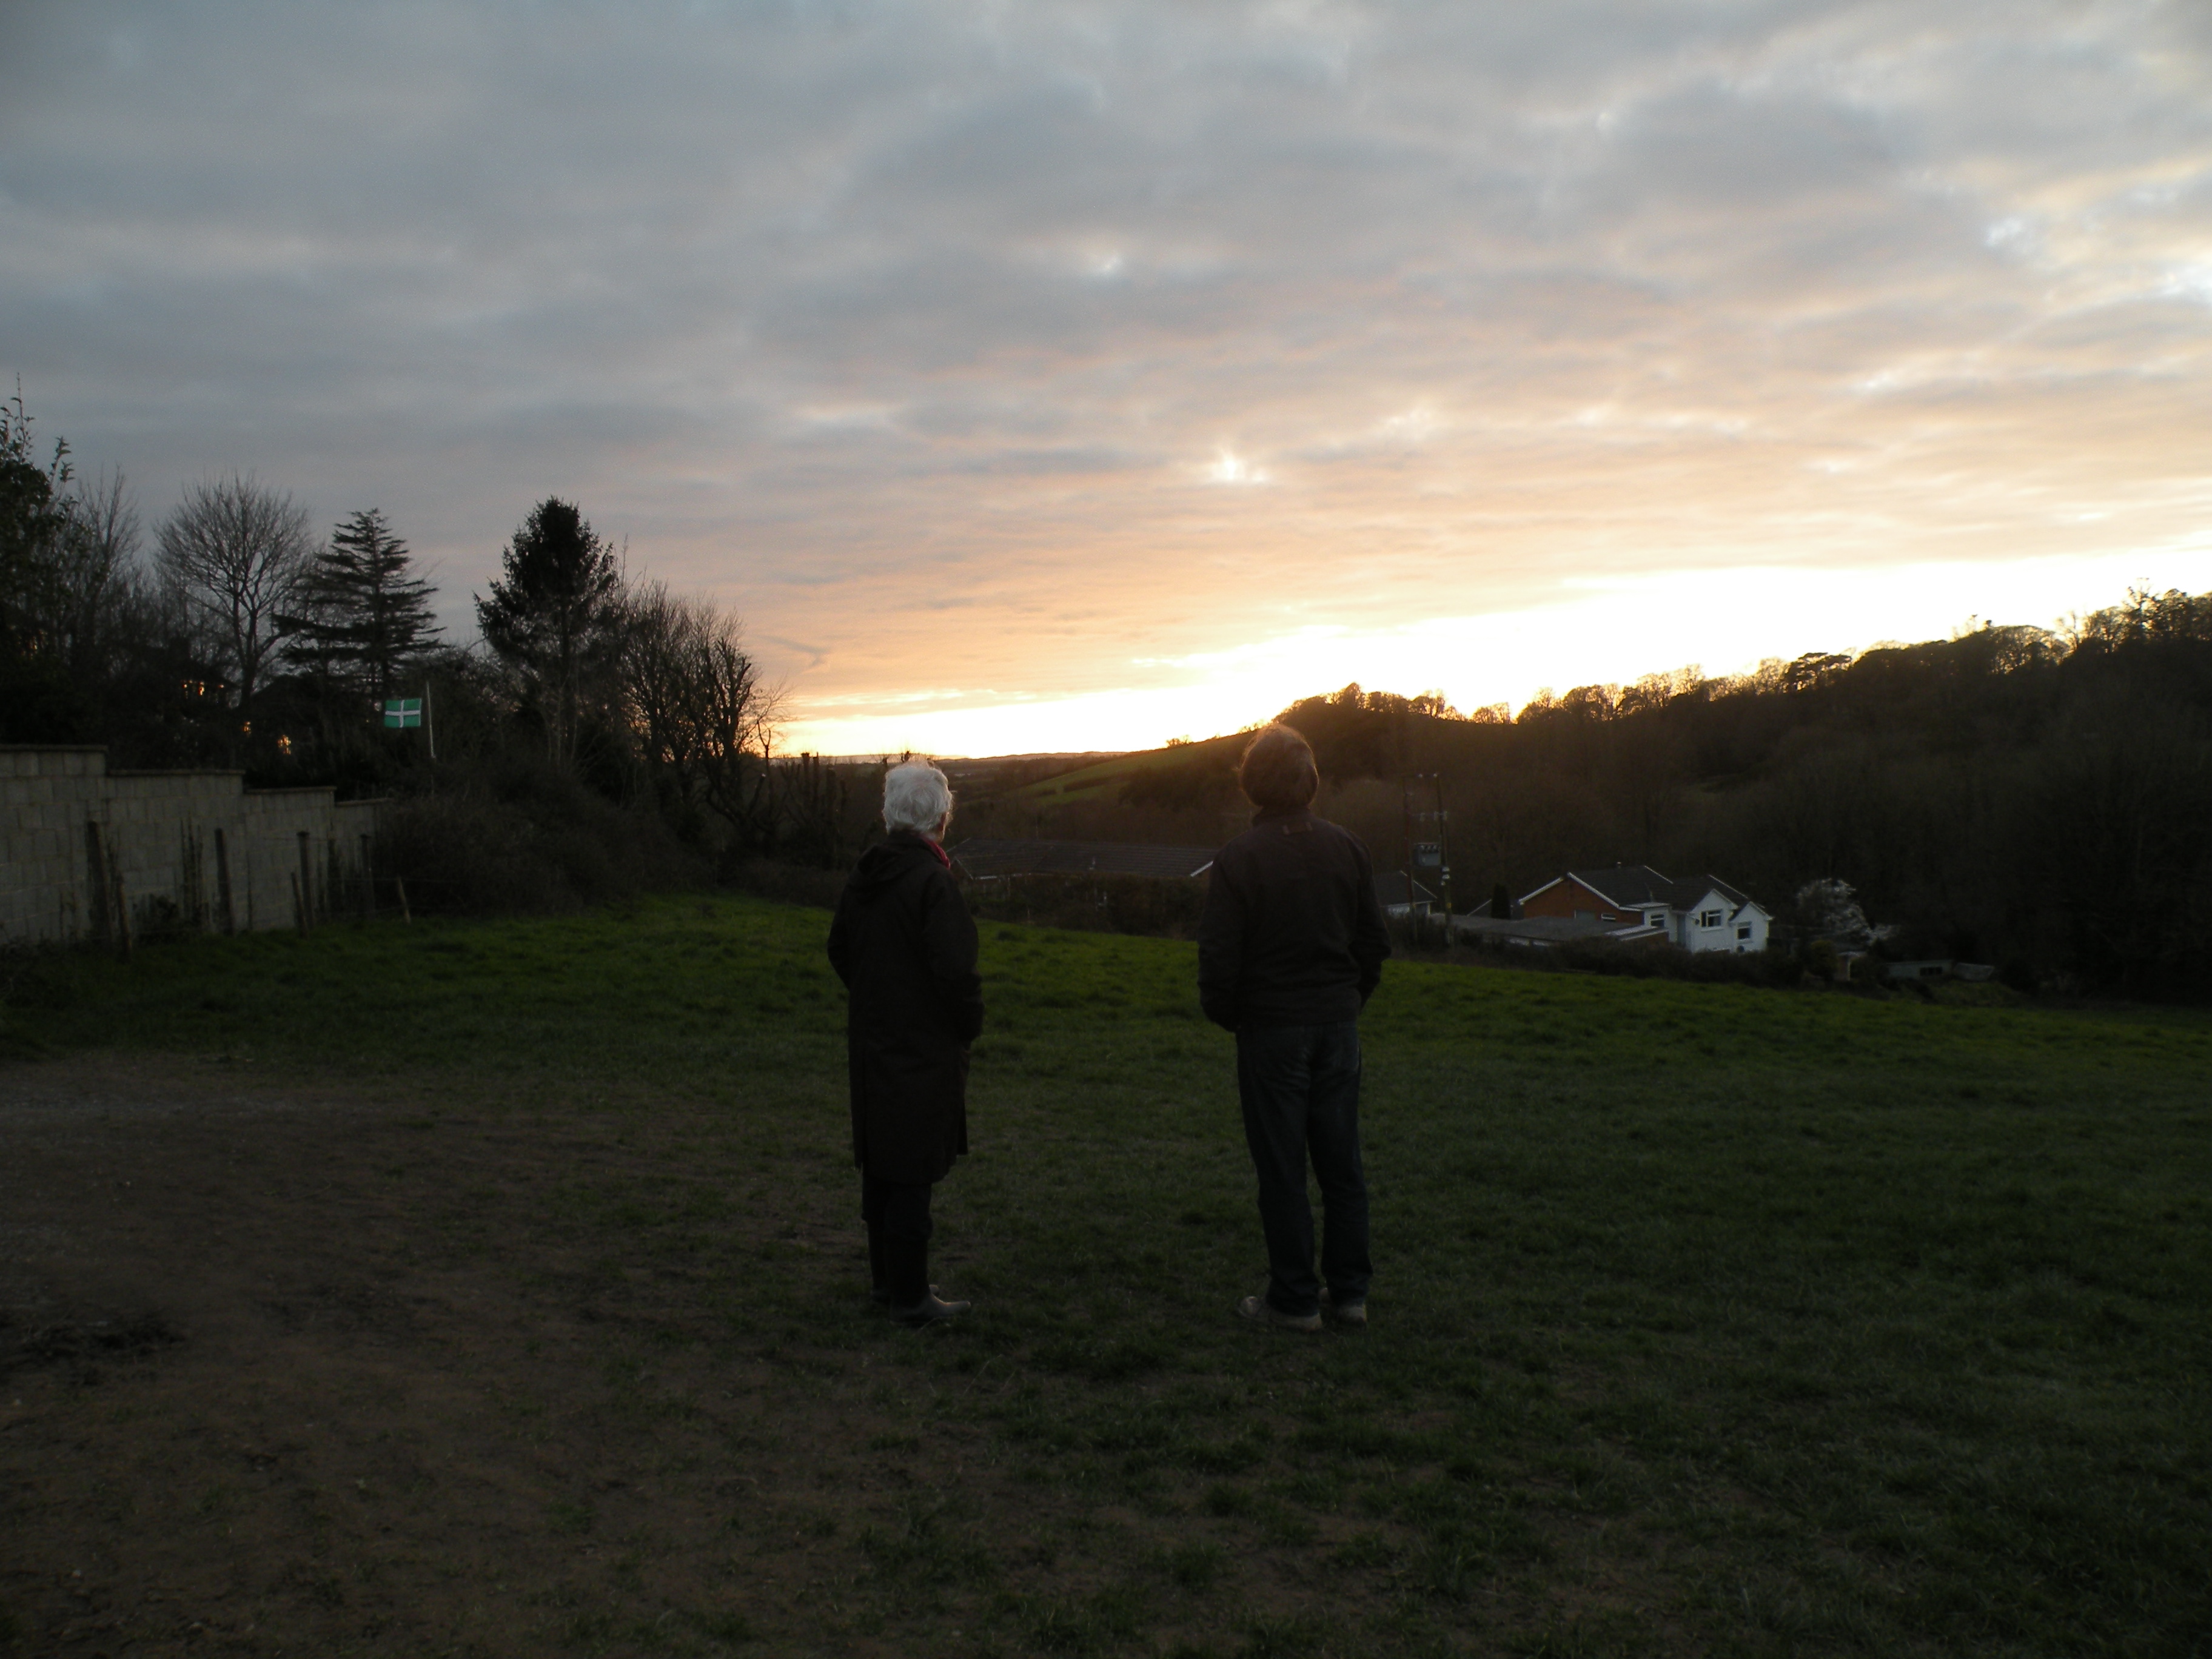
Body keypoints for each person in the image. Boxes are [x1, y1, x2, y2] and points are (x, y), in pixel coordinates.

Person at [1197, 723, 1390, 1333]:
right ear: (1310, 783)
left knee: (1282, 1168)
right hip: (1337, 1024)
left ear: (1252, 785)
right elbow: (1374, 945)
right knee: (1342, 1164)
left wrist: (1238, 1019)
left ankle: (1295, 1301)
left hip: (1271, 1030)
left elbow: (1219, 964)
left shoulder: (1237, 860)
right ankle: (1351, 1295)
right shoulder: (1348, 848)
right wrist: (1347, 1002)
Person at [826, 761, 984, 1327]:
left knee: (883, 1166)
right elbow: (956, 974)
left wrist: (877, 1002)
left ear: (889, 814)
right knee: (913, 1168)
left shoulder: (867, 874)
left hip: (874, 1044)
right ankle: (913, 1299)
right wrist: (964, 1025)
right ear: (942, 819)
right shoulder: (933, 883)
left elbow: (839, 948)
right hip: (920, 1050)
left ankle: (886, 1282)